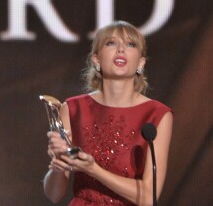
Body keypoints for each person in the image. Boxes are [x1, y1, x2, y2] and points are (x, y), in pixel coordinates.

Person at [43, 21, 173, 205]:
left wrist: (93, 170)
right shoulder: (73, 109)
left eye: (130, 44)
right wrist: (57, 166)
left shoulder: (157, 115)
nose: (121, 49)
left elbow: (148, 197)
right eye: (111, 43)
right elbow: (54, 194)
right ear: (96, 59)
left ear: (141, 63)